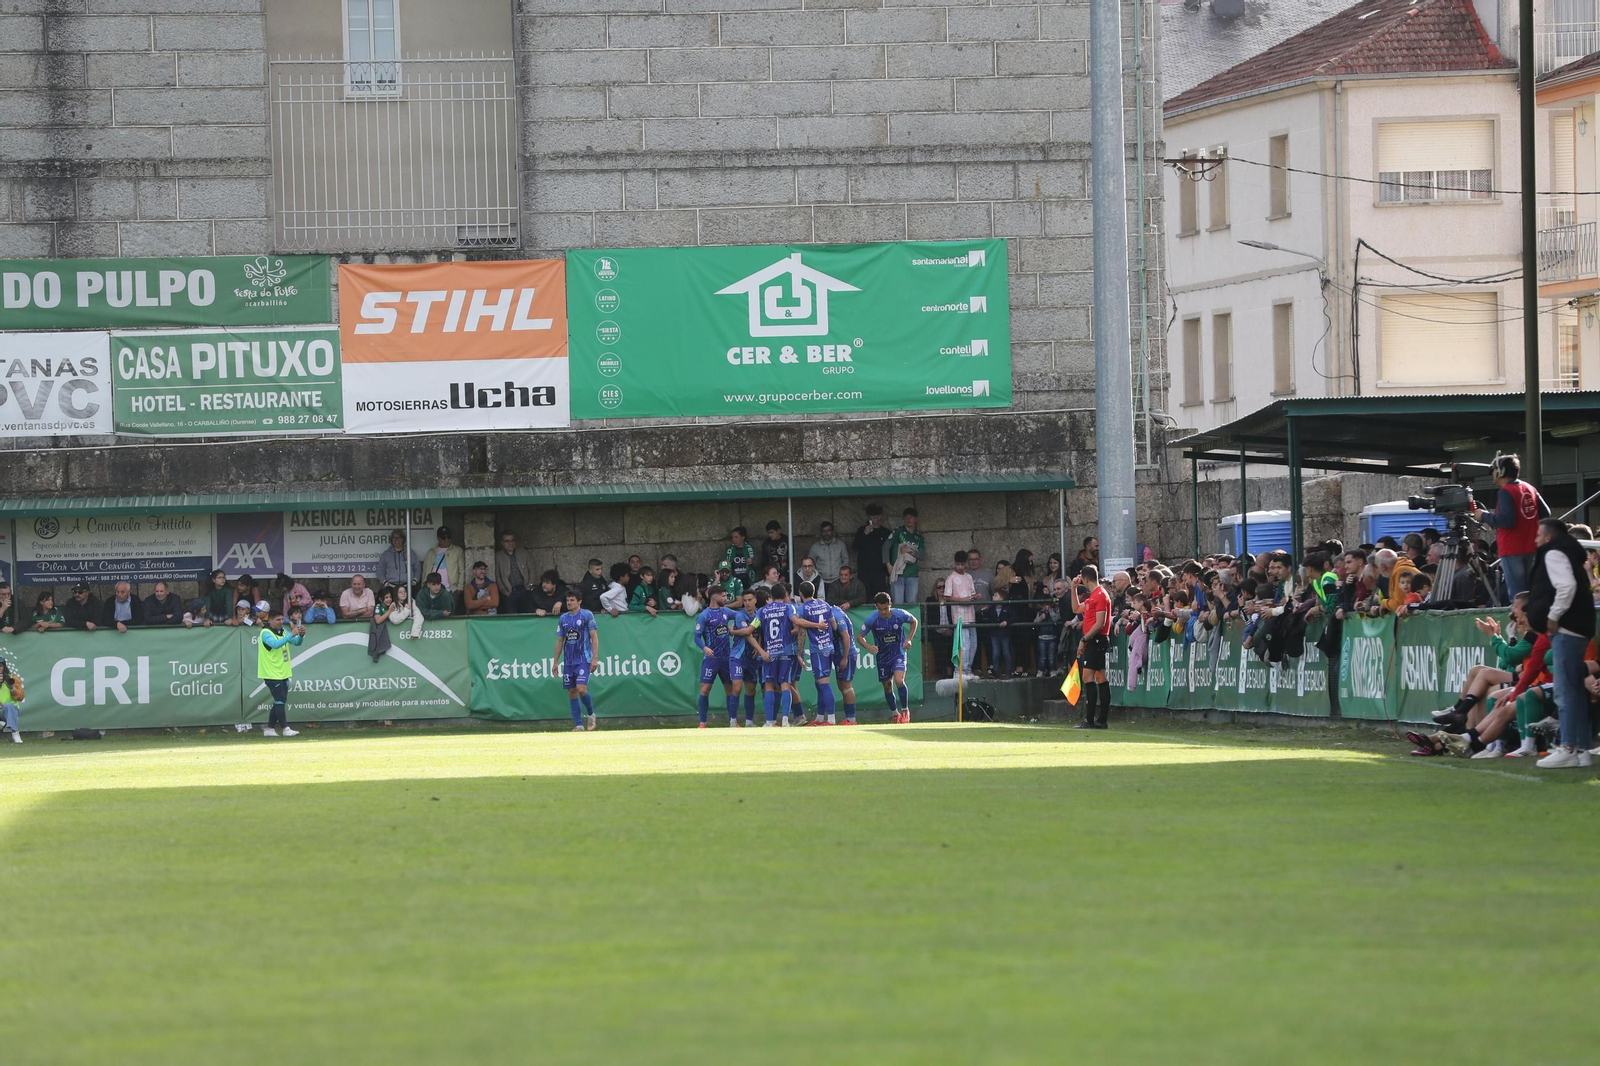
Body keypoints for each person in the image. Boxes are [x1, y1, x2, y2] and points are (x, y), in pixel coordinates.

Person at [1528, 518, 1595, 768]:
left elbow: (1565, 587)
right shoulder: (1568, 553)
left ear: (1547, 537)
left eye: (1537, 535)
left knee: (1566, 691)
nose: (1535, 540)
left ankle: (1568, 747)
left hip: (1568, 628)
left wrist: (1553, 617)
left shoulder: (1554, 553)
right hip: (1578, 627)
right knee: (1575, 692)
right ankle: (1581, 749)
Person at [1473, 454, 1548, 599]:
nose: (1493, 474)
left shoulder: (1506, 491)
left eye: (1494, 470)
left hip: (1512, 548)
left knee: (1517, 594)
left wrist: (1484, 516)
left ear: (1501, 471)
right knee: (1531, 592)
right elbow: (1546, 513)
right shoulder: (1529, 487)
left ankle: (1520, 620)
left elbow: (1507, 521)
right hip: (1532, 546)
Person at [858, 592, 919, 723]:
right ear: (876, 607)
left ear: (890, 604)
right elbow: (859, 637)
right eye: (880, 609)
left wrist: (908, 639)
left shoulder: (899, 614)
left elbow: (914, 621)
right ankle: (895, 713)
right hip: (882, 657)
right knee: (887, 685)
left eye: (886, 608)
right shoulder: (872, 619)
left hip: (898, 653)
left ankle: (905, 710)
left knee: (899, 680)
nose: (884, 612)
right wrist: (869, 647)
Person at [754, 583, 803, 726]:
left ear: (771, 596)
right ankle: (786, 720)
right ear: (784, 595)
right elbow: (796, 623)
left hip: (770, 652)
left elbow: (753, 627)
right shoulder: (789, 607)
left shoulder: (762, 611)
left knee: (769, 685)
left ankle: (769, 721)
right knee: (785, 685)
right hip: (786, 651)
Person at [1070, 566, 1112, 729]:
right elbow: (1076, 609)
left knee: (1088, 677)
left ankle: (1090, 719)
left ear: (1086, 579)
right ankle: (1101, 720)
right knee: (1101, 678)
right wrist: (1073, 588)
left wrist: (1084, 639)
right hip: (1094, 640)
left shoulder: (1100, 595)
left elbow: (1100, 623)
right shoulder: (1094, 596)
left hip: (1096, 640)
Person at [692, 587, 740, 727]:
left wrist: (734, 628)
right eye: (723, 596)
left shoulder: (726, 612)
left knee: (730, 689)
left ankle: (733, 722)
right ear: (715, 597)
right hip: (711, 658)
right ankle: (702, 723)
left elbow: (740, 616)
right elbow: (696, 637)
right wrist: (704, 648)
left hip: (726, 658)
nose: (726, 598)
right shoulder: (704, 615)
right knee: (705, 689)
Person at [555, 591, 600, 731]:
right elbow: (560, 640)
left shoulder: (587, 615)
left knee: (581, 689)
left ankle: (591, 714)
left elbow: (594, 637)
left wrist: (594, 658)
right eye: (567, 600)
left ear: (579, 601)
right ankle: (578, 725)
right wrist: (555, 662)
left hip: (583, 659)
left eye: (572, 600)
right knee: (572, 691)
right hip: (569, 661)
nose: (569, 602)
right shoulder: (563, 619)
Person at [796, 581, 839, 725]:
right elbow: (834, 625)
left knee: (824, 683)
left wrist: (799, 653)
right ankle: (820, 717)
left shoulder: (803, 609)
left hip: (818, 649)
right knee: (819, 683)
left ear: (800, 593)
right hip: (829, 646)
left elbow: (801, 632)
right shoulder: (825, 604)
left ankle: (831, 719)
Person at [257, 611, 305, 738]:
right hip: (271, 673)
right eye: (278, 619)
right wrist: (291, 634)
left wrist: (300, 636)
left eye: (281, 619)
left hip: (282, 672)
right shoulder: (265, 633)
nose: (281, 622)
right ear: (270, 620)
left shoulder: (283, 631)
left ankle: (269, 729)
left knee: (280, 700)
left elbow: (296, 643)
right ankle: (285, 728)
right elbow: (275, 644)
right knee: (280, 700)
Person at [728, 589, 764, 726]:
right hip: (738, 657)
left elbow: (759, 633)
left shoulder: (759, 614)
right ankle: (732, 721)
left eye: (750, 600)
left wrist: (758, 645)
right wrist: (760, 649)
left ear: (755, 600)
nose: (747, 603)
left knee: (751, 690)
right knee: (737, 688)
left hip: (751, 659)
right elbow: (747, 633)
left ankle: (749, 722)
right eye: (745, 601)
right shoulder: (740, 615)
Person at [943, 550, 978, 676]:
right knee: (964, 643)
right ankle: (960, 670)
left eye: (962, 565)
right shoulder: (951, 578)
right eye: (958, 564)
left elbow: (972, 594)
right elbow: (947, 596)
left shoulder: (969, 577)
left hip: (971, 614)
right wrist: (962, 600)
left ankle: (968, 669)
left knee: (973, 643)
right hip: (959, 615)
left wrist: (976, 597)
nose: (960, 567)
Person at [829, 600, 860, 724]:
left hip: (846, 653)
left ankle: (851, 718)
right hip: (839, 653)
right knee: (841, 685)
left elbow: (846, 636)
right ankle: (848, 717)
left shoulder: (836, 615)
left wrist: (845, 657)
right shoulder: (834, 611)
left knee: (847, 686)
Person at [888, 507, 925, 606]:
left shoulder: (918, 537)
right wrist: (888, 565)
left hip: (912, 574)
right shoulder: (898, 532)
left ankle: (911, 622)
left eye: (911, 517)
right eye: (906, 517)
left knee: (912, 603)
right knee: (898, 603)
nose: (908, 519)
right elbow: (885, 547)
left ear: (915, 519)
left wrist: (911, 551)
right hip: (897, 573)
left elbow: (923, 555)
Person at [854, 504, 892, 596]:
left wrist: (887, 573)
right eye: (871, 518)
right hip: (864, 572)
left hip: (880, 572)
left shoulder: (886, 532)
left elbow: (889, 553)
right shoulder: (862, 530)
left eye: (875, 517)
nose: (873, 520)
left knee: (880, 598)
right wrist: (864, 534)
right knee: (864, 597)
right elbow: (854, 547)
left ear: (880, 517)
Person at [425, 526, 464, 604]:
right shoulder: (431, 552)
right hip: (432, 590)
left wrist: (459, 589)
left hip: (451, 590)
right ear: (438, 538)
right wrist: (424, 586)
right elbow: (425, 570)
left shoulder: (458, 551)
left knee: (450, 613)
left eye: (449, 537)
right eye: (444, 537)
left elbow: (462, 571)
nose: (447, 540)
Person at [979, 591, 1011, 678]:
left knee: (1006, 652)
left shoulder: (1007, 608)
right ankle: (996, 671)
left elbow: (1013, 617)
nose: (993, 597)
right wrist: (984, 612)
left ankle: (1008, 670)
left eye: (996, 595)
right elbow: (987, 620)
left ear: (1001, 598)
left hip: (1004, 633)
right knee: (995, 653)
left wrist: (1006, 622)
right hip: (994, 634)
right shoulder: (990, 609)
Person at [723, 526, 757, 590]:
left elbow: (758, 563)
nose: (733, 540)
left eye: (736, 537)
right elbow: (723, 566)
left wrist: (752, 561)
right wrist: (726, 564)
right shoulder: (729, 550)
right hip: (734, 579)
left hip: (748, 579)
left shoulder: (750, 548)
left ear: (743, 537)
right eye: (732, 537)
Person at [0, 658, 24, 744]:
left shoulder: (13, 678)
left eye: (1, 666)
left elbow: (21, 697)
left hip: (7, 711)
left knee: (9, 706)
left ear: (4, 667)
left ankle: (15, 733)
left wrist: (12, 688)